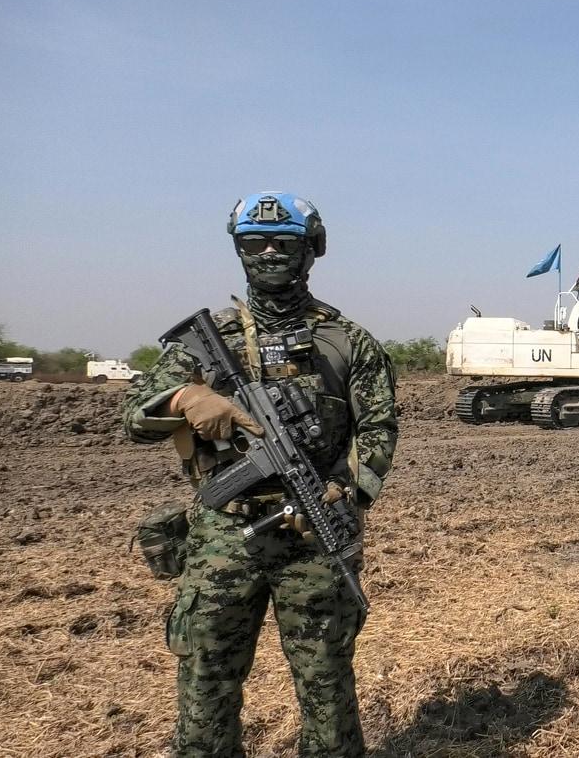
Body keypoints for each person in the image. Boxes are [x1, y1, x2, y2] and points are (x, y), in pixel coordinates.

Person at [123, 191, 398, 757]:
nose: (269, 252)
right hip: (225, 534)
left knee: (326, 685)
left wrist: (347, 491)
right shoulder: (210, 338)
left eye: (284, 243)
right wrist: (184, 397)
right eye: (254, 243)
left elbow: (378, 429)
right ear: (238, 250)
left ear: (310, 250)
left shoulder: (347, 342)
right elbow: (134, 416)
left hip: (312, 535)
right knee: (205, 681)